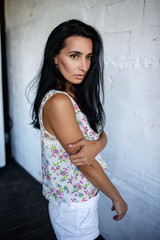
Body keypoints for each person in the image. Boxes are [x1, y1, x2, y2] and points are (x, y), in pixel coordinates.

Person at [31, 19, 128, 240]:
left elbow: (99, 135)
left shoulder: (74, 94)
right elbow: (85, 163)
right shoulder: (58, 101)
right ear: (55, 56)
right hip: (73, 206)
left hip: (82, 197)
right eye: (74, 56)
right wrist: (117, 198)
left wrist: (97, 145)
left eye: (88, 57)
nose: (84, 66)